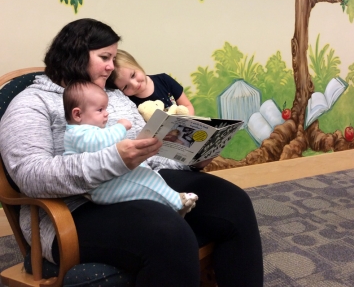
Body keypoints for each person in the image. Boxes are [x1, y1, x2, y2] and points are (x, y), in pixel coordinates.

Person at [0, 18, 263, 287]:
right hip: (73, 207)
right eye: (104, 56)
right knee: (168, 233)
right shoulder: (31, 103)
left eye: (113, 58)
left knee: (233, 202)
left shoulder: (114, 96)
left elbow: (149, 153)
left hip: (139, 181)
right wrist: (114, 160)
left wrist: (192, 160)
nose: (111, 66)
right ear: (75, 53)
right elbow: (31, 176)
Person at [63, 79, 197, 215]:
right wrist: (120, 127)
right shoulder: (77, 134)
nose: (106, 113)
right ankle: (176, 202)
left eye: (105, 108)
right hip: (103, 186)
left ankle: (173, 202)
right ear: (77, 114)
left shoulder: (88, 129)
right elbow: (99, 142)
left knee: (150, 176)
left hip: (112, 178)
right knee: (146, 181)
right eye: (100, 110)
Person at [108, 49, 195, 115]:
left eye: (133, 75)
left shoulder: (164, 80)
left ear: (136, 64)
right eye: (125, 87)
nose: (134, 84)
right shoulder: (128, 100)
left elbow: (187, 106)